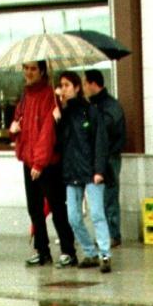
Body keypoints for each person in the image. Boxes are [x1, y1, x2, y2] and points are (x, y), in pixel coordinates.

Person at [10, 60, 77, 268]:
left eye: (32, 69)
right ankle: (42, 250)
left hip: (46, 162)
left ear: (42, 71)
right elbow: (21, 122)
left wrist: (39, 163)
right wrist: (14, 128)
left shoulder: (50, 95)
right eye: (26, 69)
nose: (28, 73)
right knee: (34, 208)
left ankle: (68, 250)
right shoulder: (25, 95)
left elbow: (47, 132)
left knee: (57, 207)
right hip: (30, 160)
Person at [54, 70, 112, 273]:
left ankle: (104, 253)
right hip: (72, 171)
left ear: (77, 87)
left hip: (91, 171)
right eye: (61, 85)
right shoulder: (64, 113)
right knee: (73, 217)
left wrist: (99, 170)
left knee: (97, 213)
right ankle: (90, 251)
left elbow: (100, 141)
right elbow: (60, 144)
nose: (63, 89)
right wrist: (58, 119)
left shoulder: (90, 111)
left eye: (67, 85)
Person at [82, 69, 126, 248]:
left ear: (93, 84)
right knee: (100, 198)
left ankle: (113, 234)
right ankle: (105, 234)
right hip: (96, 157)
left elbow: (105, 131)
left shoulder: (110, 106)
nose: (84, 87)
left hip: (109, 157)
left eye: (85, 83)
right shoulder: (92, 105)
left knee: (109, 196)